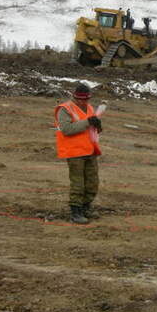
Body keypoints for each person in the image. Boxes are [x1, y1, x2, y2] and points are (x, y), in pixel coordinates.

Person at [54, 83, 103, 224]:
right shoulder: (64, 109)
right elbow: (66, 129)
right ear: (74, 96)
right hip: (74, 152)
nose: (82, 102)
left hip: (90, 150)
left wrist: (98, 125)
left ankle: (86, 207)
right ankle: (76, 212)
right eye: (79, 99)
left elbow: (92, 128)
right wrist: (88, 122)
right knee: (78, 184)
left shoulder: (89, 108)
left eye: (85, 99)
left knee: (92, 183)